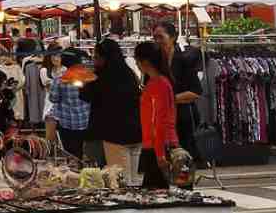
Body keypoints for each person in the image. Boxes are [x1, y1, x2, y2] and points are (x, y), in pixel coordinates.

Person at [79, 39, 142, 181]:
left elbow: (85, 95)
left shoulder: (101, 76)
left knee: (119, 179)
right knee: (134, 179)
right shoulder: (129, 73)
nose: (94, 60)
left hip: (113, 135)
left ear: (104, 57)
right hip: (135, 132)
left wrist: (84, 82)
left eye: (96, 57)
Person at [153, 21, 203, 162]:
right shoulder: (155, 61)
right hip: (161, 118)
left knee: (183, 160)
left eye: (161, 37)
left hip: (183, 117)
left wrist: (169, 99)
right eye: (155, 37)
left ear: (173, 37)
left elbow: (196, 92)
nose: (157, 41)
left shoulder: (184, 59)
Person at [134, 41, 177, 189]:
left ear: (144, 61)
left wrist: (160, 154)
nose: (136, 64)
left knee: (157, 193)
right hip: (156, 145)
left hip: (159, 146)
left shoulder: (159, 84)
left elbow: (160, 121)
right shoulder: (157, 83)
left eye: (137, 60)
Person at [46, 52, 90, 159]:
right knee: (81, 149)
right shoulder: (87, 78)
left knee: (69, 151)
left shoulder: (60, 80)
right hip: (85, 120)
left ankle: (74, 166)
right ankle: (81, 164)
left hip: (67, 122)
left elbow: (53, 98)